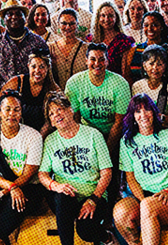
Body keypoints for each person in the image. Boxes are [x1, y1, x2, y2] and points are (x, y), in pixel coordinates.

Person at [39, 91, 115, 245]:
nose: (56, 115)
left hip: (94, 194)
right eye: (51, 114)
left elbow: (107, 171)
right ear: (51, 122)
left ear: (70, 110)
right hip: (65, 197)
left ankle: (107, 238)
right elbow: (42, 174)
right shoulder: (50, 141)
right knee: (62, 198)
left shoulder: (94, 135)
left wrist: (93, 199)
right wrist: (56, 186)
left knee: (85, 231)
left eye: (59, 109)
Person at [112, 95, 168, 245]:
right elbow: (130, 178)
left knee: (148, 206)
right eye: (138, 111)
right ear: (133, 116)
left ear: (155, 112)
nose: (143, 115)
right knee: (120, 212)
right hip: (144, 196)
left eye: (147, 110)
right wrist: (143, 200)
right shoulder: (127, 142)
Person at [0, 90, 43, 245]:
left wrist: (1, 194)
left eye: (16, 109)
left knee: (14, 203)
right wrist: (10, 187)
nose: (12, 114)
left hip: (27, 185)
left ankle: (0, 238)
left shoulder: (34, 136)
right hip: (0, 179)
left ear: (21, 112)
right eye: (7, 109)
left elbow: (27, 175)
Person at [66, 42, 130, 161]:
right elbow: (75, 118)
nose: (97, 63)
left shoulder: (120, 84)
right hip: (86, 133)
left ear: (107, 62)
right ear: (86, 61)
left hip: (112, 134)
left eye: (101, 60)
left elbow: (119, 123)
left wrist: (105, 153)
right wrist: (84, 145)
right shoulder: (74, 83)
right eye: (93, 59)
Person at [0, 1, 48, 99]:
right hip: (5, 97)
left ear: (25, 18)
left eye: (18, 14)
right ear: (4, 19)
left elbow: (47, 68)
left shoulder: (38, 42)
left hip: (34, 96)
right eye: (10, 14)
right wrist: (7, 87)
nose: (14, 17)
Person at [0, 49, 57, 137]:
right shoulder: (16, 83)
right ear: (28, 66)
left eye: (42, 67)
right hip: (14, 132)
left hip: (40, 135)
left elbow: (49, 123)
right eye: (33, 66)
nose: (37, 70)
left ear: (48, 68)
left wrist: (37, 139)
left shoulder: (53, 90)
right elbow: (0, 109)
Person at [131, 45, 168, 133]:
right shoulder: (137, 86)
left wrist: (159, 117)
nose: (155, 68)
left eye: (159, 64)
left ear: (165, 67)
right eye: (151, 64)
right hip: (149, 133)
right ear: (144, 66)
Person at [122, 12, 168, 85]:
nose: (150, 28)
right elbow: (127, 76)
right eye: (146, 25)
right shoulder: (134, 50)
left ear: (161, 27)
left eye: (154, 25)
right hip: (137, 90)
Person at [92, 2, 135, 75]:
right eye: (103, 15)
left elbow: (125, 71)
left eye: (110, 16)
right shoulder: (91, 39)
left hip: (115, 80)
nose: (106, 19)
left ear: (116, 18)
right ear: (98, 18)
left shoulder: (124, 41)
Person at [50, 9, 87, 90]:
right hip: (57, 95)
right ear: (58, 25)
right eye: (64, 23)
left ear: (77, 25)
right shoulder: (51, 48)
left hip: (80, 94)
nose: (68, 27)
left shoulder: (86, 49)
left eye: (72, 24)